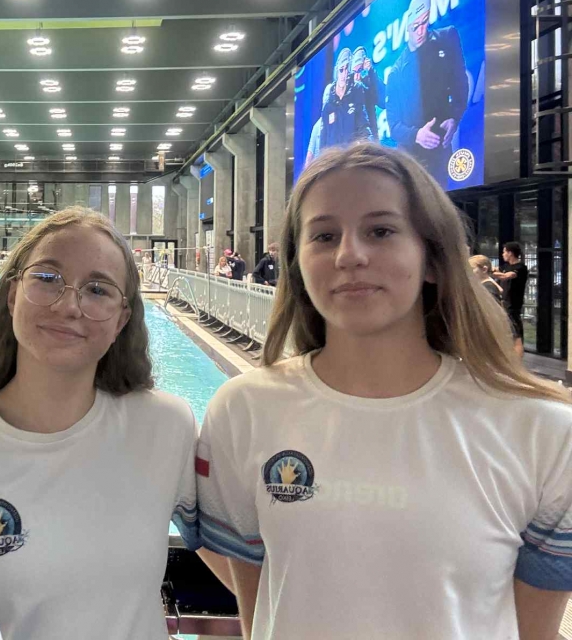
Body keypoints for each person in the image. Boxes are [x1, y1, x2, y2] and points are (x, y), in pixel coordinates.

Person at [194, 142, 572, 640]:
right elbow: (263, 603)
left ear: (432, 257)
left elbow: (531, 630)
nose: (349, 255)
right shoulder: (245, 410)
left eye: (381, 230)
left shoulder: (541, 431)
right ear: (298, 265)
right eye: (324, 235)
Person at [0, 207, 207, 640]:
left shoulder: (165, 427)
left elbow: (236, 551)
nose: (69, 305)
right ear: (12, 296)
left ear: (122, 319)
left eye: (98, 289)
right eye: (48, 278)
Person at [384, 0, 469, 184]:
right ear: (407, 28)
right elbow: (394, 126)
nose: (421, 31)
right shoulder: (397, 72)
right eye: (415, 26)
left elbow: (460, 82)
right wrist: (416, 135)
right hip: (411, 163)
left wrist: (454, 117)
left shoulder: (447, 39)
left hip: (441, 154)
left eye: (424, 23)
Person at [320, 47, 376, 150]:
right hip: (333, 157)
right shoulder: (328, 105)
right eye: (341, 70)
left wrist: (369, 147)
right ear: (337, 71)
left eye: (347, 70)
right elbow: (323, 138)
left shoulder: (356, 95)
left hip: (349, 155)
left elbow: (363, 126)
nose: (344, 74)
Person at [492, 240, 530, 358]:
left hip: (513, 304)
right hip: (503, 302)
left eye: (504, 252)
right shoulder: (506, 266)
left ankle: (518, 358)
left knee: (515, 332)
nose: (503, 254)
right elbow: (496, 270)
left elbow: (506, 276)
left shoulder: (520, 267)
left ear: (510, 253)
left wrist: (488, 272)